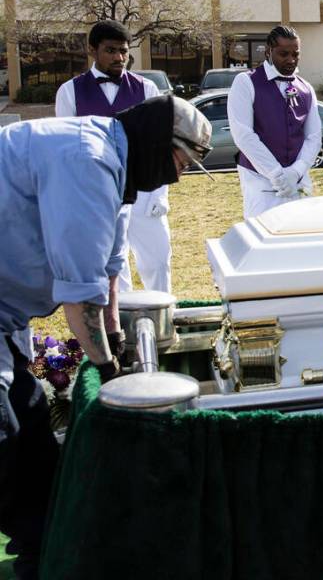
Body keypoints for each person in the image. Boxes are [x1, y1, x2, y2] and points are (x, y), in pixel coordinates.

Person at [0, 95, 211, 579]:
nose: (178, 176)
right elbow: (81, 295)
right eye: (181, 161)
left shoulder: (117, 170)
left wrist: (115, 343)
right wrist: (106, 368)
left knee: (31, 422)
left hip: (6, 312)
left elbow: (110, 273)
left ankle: (40, 545)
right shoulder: (88, 161)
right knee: (5, 438)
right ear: (160, 144)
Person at [55, 20, 172, 293]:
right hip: (99, 192)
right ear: (92, 50)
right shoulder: (69, 91)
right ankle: (125, 327)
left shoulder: (147, 89)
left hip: (143, 189)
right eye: (110, 50)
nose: (119, 57)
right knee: (114, 269)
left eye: (124, 50)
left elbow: (160, 145)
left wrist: (159, 195)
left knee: (157, 261)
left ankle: (163, 320)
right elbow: (69, 150)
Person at [227, 25, 322, 218]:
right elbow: (243, 135)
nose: (291, 60)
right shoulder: (246, 82)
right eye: (283, 54)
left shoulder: (306, 88)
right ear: (269, 52)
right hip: (260, 182)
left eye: (295, 54)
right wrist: (276, 174)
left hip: (299, 180)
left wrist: (296, 172)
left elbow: (313, 136)